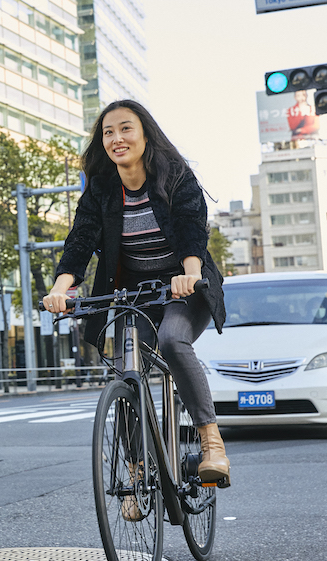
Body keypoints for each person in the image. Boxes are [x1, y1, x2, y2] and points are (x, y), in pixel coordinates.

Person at [40, 99, 231, 490]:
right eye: (108, 132)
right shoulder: (103, 189)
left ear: (145, 134)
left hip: (183, 286)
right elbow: (81, 240)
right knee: (127, 369)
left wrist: (189, 274)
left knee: (173, 342)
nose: (116, 139)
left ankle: (212, 444)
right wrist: (61, 288)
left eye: (125, 129)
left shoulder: (175, 175)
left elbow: (192, 228)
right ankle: (138, 470)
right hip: (133, 293)